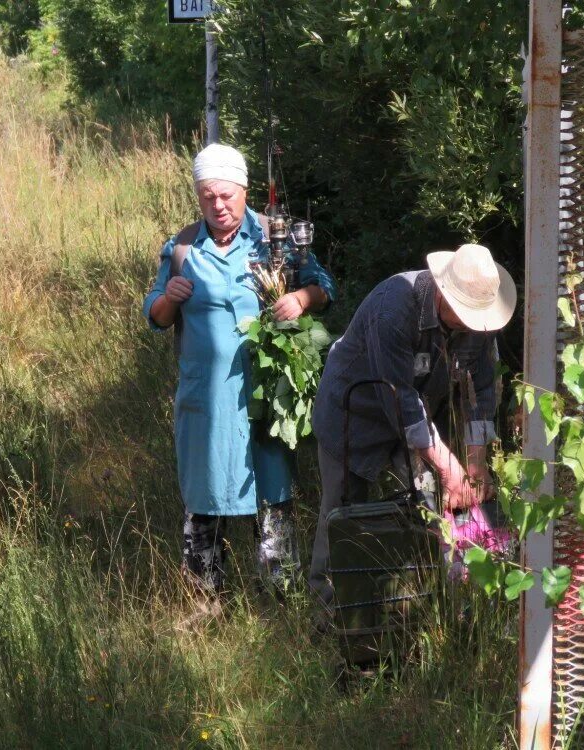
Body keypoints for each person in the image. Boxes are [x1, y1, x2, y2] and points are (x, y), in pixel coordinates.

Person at [143, 143, 337, 600]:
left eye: (227, 195)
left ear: (245, 191)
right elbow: (154, 315)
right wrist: (170, 296)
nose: (218, 205)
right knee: (203, 494)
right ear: (198, 195)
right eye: (208, 195)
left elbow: (324, 287)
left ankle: (281, 596)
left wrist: (301, 299)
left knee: (271, 492)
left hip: (264, 396)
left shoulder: (275, 237)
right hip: (205, 400)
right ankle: (204, 599)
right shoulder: (183, 247)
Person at [308, 243, 516, 607]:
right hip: (354, 414)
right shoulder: (392, 310)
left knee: (430, 505)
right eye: (465, 314)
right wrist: (450, 465)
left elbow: (483, 390)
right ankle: (334, 616)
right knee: (343, 516)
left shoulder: (480, 316)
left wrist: (476, 459)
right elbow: (401, 402)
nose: (473, 326)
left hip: (418, 416)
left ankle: (422, 605)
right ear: (443, 293)